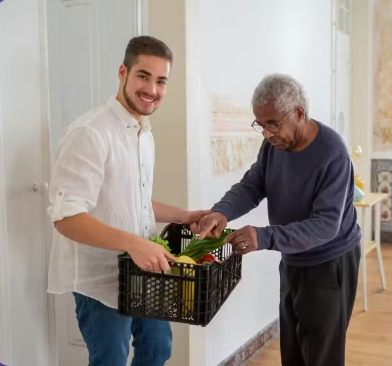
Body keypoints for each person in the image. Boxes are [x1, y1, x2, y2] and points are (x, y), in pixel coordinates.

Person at [47, 36, 208, 366]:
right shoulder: (90, 133)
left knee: (157, 348)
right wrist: (134, 243)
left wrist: (184, 214)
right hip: (100, 278)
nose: (152, 89)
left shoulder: (143, 133)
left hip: (142, 271)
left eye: (161, 81)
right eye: (143, 76)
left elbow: (135, 199)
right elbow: (67, 218)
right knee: (110, 360)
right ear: (123, 72)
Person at [197, 74, 361, 366]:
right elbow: (252, 186)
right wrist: (222, 211)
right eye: (261, 125)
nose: (267, 134)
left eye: (274, 123)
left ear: (299, 113)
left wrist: (264, 237)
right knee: (293, 352)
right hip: (293, 259)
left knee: (322, 356)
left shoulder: (333, 153)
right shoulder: (273, 147)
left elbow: (325, 225)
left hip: (329, 264)